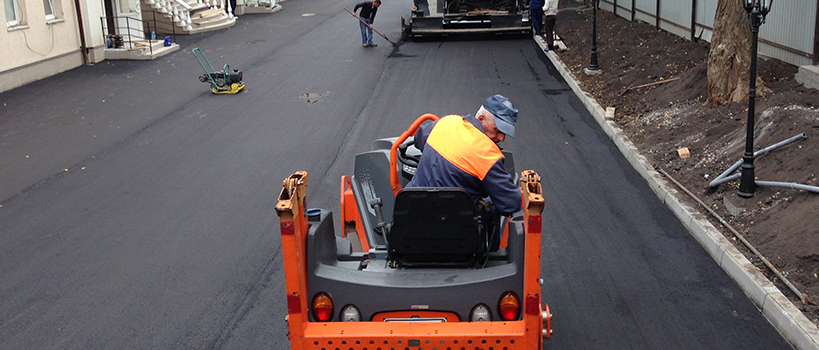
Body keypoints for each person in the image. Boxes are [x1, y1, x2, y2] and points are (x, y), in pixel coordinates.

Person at [406, 95, 522, 246]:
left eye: (504, 133)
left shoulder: (447, 122)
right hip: (458, 233)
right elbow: (510, 204)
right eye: (498, 130)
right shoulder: (489, 156)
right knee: (492, 206)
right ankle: (490, 258)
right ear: (481, 118)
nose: (501, 138)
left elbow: (419, 138)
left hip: (413, 214)